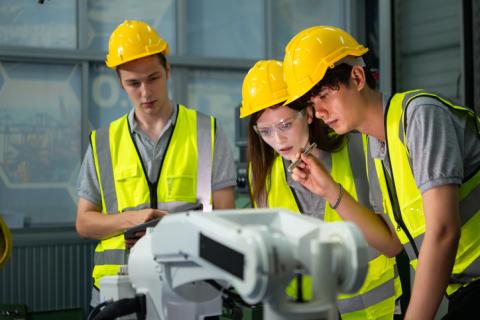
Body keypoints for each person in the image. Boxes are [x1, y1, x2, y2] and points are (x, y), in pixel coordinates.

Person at [282, 25, 480, 320]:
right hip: (464, 291)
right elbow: (390, 243)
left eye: (323, 96)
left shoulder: (420, 116)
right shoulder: (378, 145)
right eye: (312, 104)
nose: (319, 112)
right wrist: (328, 189)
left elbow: (443, 231)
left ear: (357, 78)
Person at [76, 20, 236, 308]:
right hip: (118, 292)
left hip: (191, 289)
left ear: (168, 70)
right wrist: (133, 220)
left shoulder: (206, 132)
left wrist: (167, 235)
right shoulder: (103, 142)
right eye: (133, 84)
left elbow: (225, 217)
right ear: (119, 82)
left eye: (153, 78)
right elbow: (84, 222)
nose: (146, 93)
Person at [240, 59, 402, 319]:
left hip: (372, 310)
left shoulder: (358, 148)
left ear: (309, 112)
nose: (278, 141)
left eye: (285, 125)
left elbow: (392, 242)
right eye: (266, 132)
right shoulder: (262, 174)